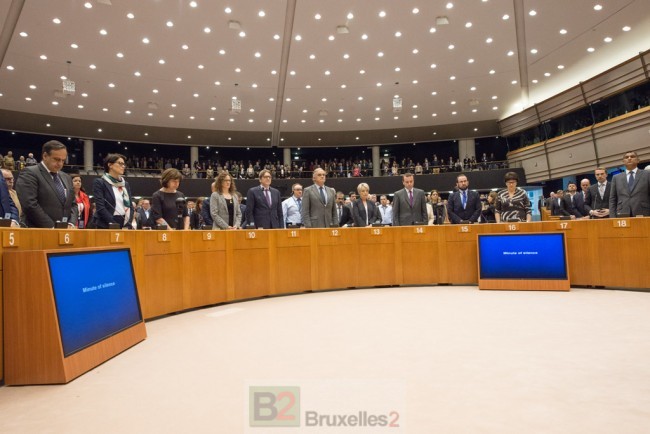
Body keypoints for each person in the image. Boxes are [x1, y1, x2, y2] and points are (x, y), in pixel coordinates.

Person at [15, 140, 77, 228]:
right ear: (45, 156)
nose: (60, 164)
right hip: (38, 231)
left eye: (63, 160)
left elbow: (73, 204)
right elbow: (30, 204)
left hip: (64, 232)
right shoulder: (30, 173)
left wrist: (71, 223)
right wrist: (51, 227)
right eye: (56, 159)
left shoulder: (66, 177)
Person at [92, 154, 135, 229]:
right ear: (110, 165)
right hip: (106, 223)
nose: (123, 166)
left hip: (124, 223)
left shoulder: (125, 184)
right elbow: (100, 207)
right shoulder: (100, 182)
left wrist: (128, 223)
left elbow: (130, 206)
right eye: (120, 163)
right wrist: (114, 224)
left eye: (124, 164)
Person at [609, 151, 650, 217]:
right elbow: (612, 199)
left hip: (644, 212)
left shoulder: (647, 174)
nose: (629, 158)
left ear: (638, 160)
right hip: (622, 213)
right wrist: (612, 217)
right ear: (623, 161)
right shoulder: (616, 178)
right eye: (626, 157)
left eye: (632, 156)